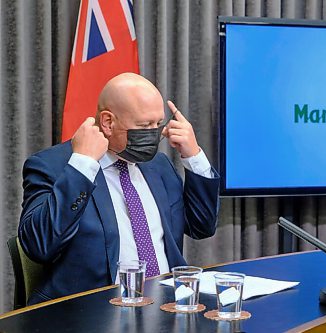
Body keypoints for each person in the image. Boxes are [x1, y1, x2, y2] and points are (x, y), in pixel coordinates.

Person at [18, 73, 219, 305]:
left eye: (158, 124)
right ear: (108, 122)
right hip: (92, 313)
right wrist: (83, 165)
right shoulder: (54, 166)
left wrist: (193, 155)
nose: (155, 134)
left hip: (168, 305)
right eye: (144, 126)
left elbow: (202, 226)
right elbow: (39, 246)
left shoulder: (158, 165)